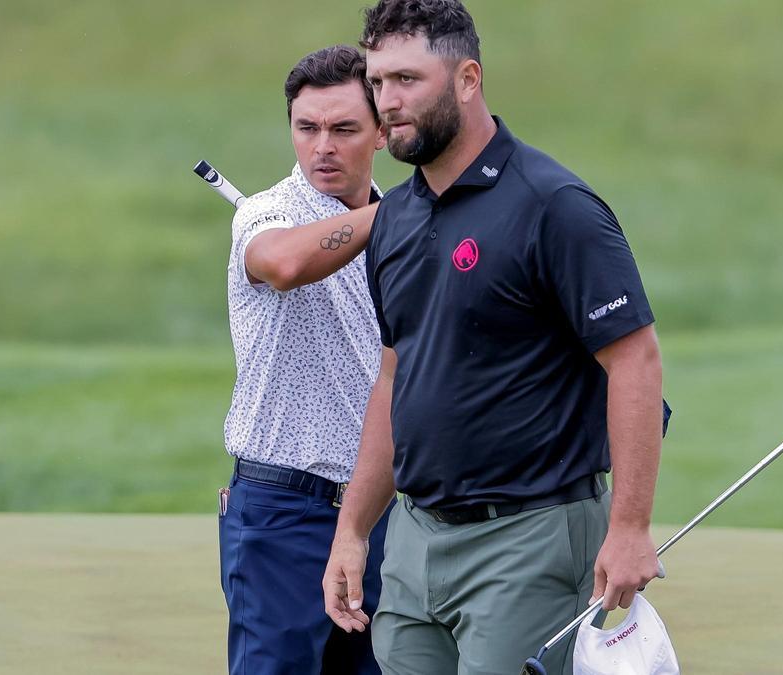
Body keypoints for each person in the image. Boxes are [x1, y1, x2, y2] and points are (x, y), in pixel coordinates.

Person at [322, 2, 666, 673]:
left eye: (407, 80)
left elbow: (635, 359)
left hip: (530, 537)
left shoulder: (553, 205)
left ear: (468, 79)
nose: (387, 102)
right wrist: (353, 528)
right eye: (378, 81)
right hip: (417, 540)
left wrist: (629, 527)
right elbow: (396, 378)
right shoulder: (393, 218)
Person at [218, 44, 391, 675]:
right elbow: (286, 264)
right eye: (307, 128)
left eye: (344, 129)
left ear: (380, 133)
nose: (323, 146)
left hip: (380, 513)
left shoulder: (406, 227)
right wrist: (397, 214)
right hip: (282, 510)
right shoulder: (267, 214)